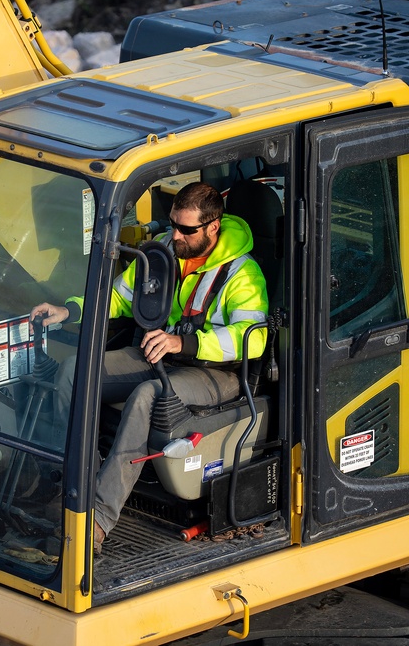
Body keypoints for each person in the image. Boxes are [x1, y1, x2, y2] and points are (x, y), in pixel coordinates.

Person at [31, 181, 269, 552]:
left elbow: (252, 339)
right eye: (173, 224)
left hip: (216, 373)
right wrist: (69, 310)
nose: (176, 235)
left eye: (186, 229)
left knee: (146, 396)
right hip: (161, 354)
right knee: (74, 373)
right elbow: (118, 298)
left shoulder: (243, 273)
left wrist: (183, 342)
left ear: (213, 227)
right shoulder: (163, 257)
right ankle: (76, 484)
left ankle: (97, 518)